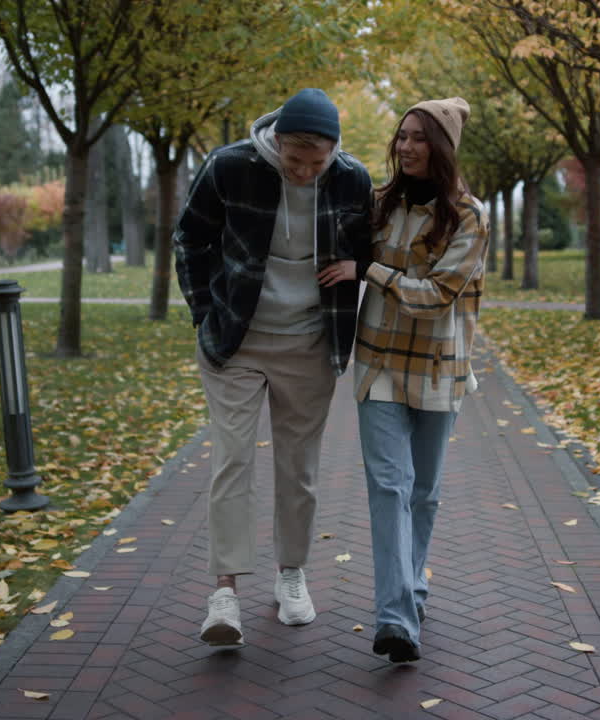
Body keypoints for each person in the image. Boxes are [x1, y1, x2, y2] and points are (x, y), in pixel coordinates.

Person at [174, 88, 373, 647]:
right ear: (275, 143)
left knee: (298, 468)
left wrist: (357, 267)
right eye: (294, 162)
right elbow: (190, 237)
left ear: (334, 152)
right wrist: (203, 313)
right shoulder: (229, 166)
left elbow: (371, 247)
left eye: (318, 163)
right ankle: (225, 593)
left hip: (310, 344)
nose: (306, 173)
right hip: (236, 341)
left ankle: (291, 575)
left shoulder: (352, 178)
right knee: (232, 461)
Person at [352, 97, 488, 662]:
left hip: (439, 366)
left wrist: (373, 271)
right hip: (379, 362)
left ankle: (412, 588)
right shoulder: (380, 204)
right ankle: (396, 618)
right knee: (391, 487)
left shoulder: (469, 215)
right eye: (401, 136)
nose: (406, 146)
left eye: (419, 137)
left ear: (443, 147)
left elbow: (435, 298)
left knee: (424, 493)